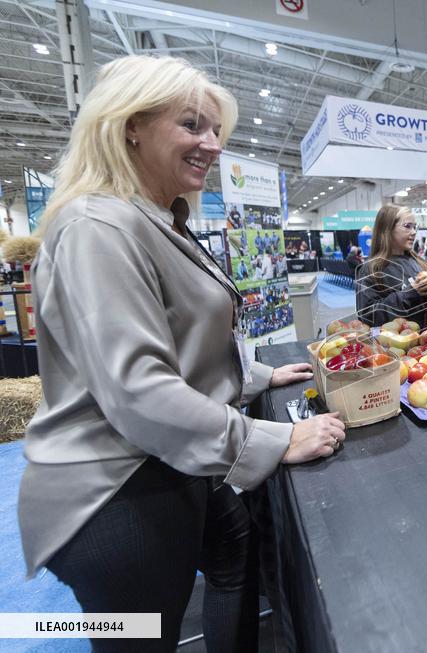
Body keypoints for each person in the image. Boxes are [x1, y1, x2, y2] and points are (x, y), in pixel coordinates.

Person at [18, 55, 347, 652]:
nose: (212, 144)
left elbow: (183, 340)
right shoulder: (99, 228)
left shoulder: (154, 221)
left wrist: (258, 374)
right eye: (193, 125)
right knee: (141, 638)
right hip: (116, 493)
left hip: (167, 465)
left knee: (235, 556)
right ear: (130, 126)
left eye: (216, 129)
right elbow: (140, 389)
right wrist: (270, 440)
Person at [356, 204, 427, 328]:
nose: (413, 232)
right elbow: (368, 316)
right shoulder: (371, 269)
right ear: (387, 229)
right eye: (407, 226)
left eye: (415, 227)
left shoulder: (421, 263)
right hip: (393, 345)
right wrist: (409, 293)